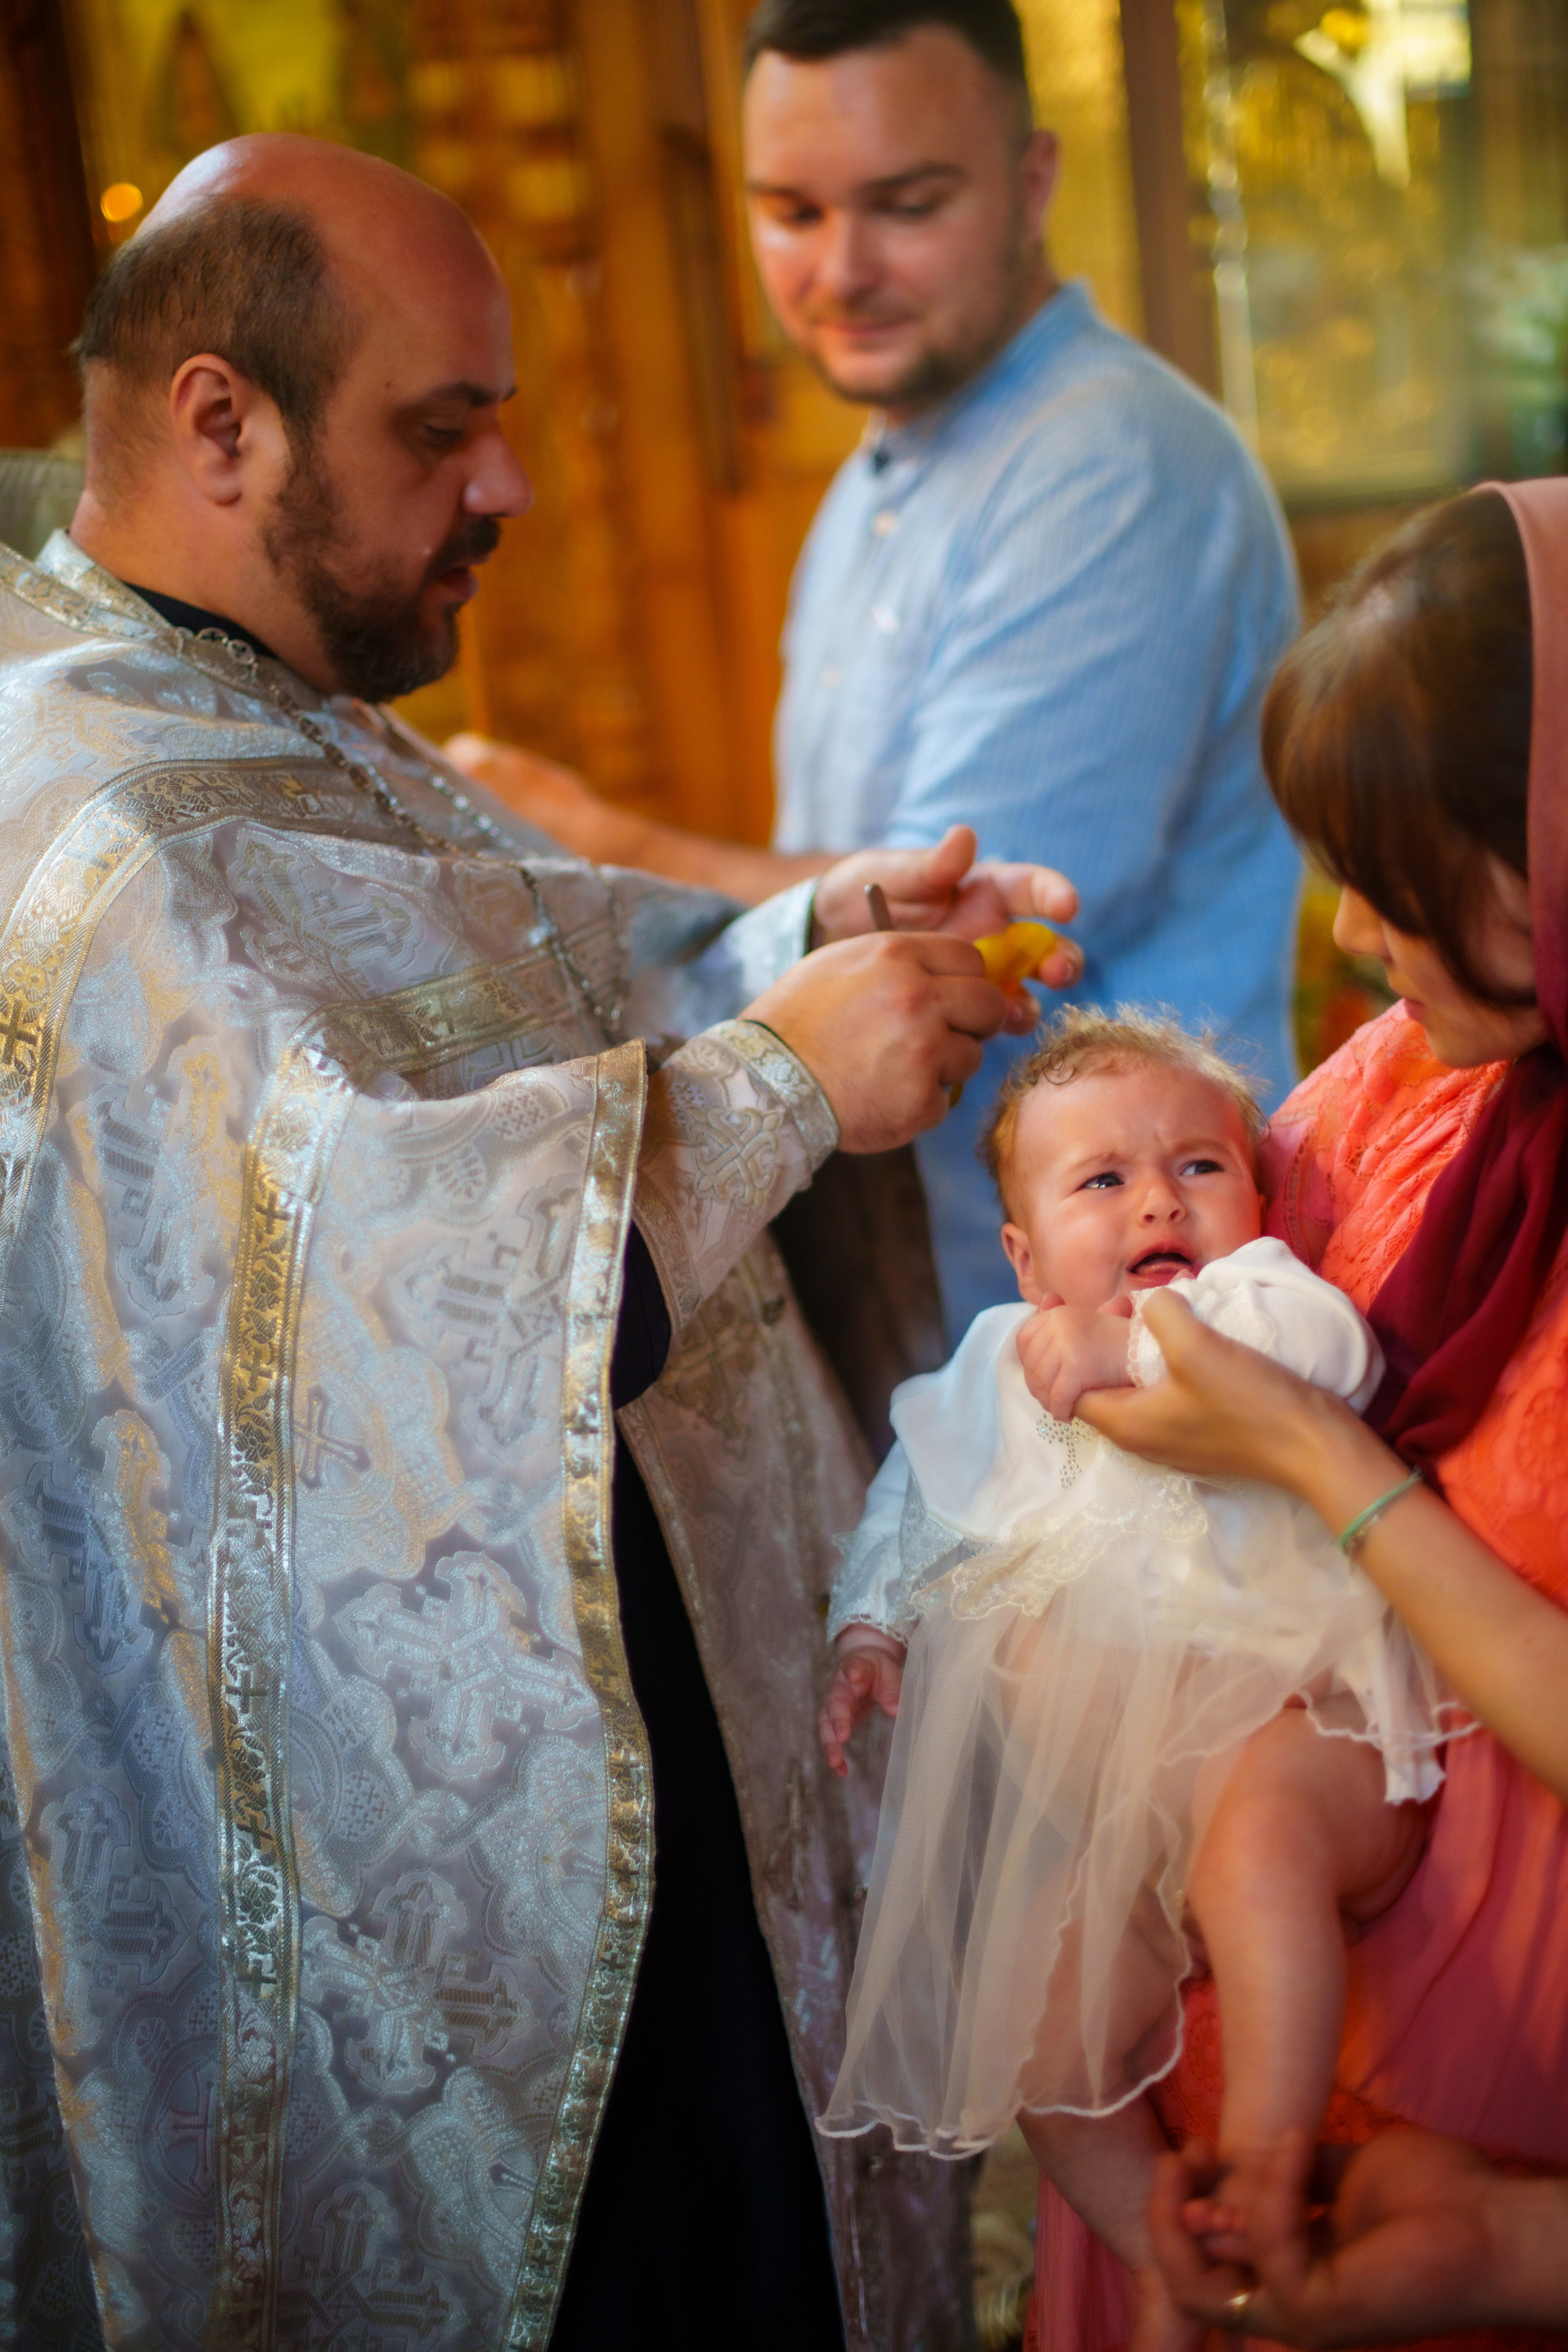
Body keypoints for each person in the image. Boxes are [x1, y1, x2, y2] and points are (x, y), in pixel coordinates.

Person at [0, 132, 1088, 2351]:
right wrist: (788, 1078)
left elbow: (530, 968)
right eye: (440, 429)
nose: (502, 489)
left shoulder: (255, 698)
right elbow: (360, 1306)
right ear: (222, 422)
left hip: (625, 1739)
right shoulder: (94, 818)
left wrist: (805, 935)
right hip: (437, 1891)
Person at [449, 0, 1303, 1335]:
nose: (839, 269)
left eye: (904, 204)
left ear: (1031, 181)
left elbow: (942, 930)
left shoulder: (1107, 464)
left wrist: (592, 838)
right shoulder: (875, 476)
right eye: (789, 210)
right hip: (950, 1304)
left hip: (1126, 1336)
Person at [1020, 478, 1568, 2352]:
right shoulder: (1431, 1063)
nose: (1348, 930)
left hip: (1480, 2129)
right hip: (1265, 2058)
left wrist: (1315, 1458)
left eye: (1397, 870)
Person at [815, 1010, 1453, 2347]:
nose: (1157, 1195)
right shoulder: (995, 1359)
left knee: (1254, 1849)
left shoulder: (1252, 1299)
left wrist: (1148, 1352)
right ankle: (1164, 2256)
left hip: (1294, 1719)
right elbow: (911, 1496)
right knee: (1035, 2035)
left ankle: (1261, 2177)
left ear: (1255, 1194)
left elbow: (1333, 1358)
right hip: (1113, 1815)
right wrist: (869, 1626)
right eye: (1100, 1181)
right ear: (1022, 1254)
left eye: (1198, 1167)